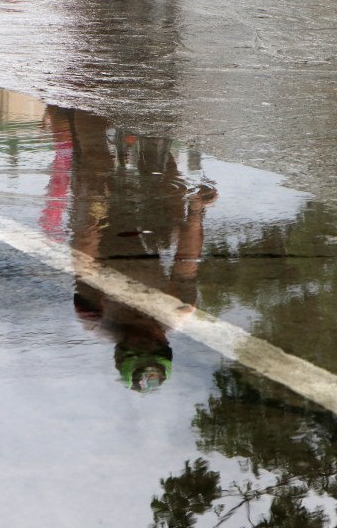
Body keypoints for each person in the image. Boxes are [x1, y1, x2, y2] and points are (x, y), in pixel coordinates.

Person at [43, 106, 216, 392]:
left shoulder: (94, 318)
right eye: (157, 346)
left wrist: (95, 211)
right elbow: (186, 262)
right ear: (166, 346)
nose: (151, 338)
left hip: (100, 241)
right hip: (148, 240)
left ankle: (85, 102)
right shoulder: (179, 311)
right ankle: (158, 132)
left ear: (122, 349)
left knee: (97, 163)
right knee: (170, 193)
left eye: (141, 346)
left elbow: (84, 263)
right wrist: (196, 211)